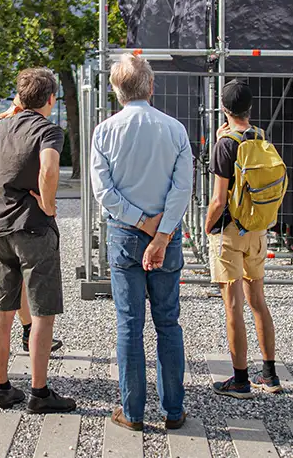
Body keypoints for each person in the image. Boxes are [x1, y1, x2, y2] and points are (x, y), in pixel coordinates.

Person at [0, 68, 75, 414]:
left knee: (2, 308)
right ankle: (40, 392)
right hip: (35, 228)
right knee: (41, 312)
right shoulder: (49, 130)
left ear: (20, 96)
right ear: (51, 100)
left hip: (0, 228)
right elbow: (49, 169)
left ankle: (2, 386)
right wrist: (49, 203)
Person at [90, 53, 193, 433]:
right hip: (166, 237)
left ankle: (132, 412)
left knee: (129, 323)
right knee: (168, 322)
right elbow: (183, 188)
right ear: (151, 86)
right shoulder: (175, 129)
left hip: (125, 233)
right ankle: (174, 410)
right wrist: (162, 232)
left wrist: (140, 222)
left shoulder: (104, 131)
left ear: (116, 92)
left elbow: (104, 190)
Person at [204, 79, 281, 397]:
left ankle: (239, 380)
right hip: (257, 228)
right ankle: (270, 375)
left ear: (224, 109)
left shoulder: (225, 145)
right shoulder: (260, 137)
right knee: (258, 302)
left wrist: (207, 226)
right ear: (249, 109)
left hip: (230, 231)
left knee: (233, 305)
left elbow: (219, 200)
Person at [0, 104, 63, 356]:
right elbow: (49, 169)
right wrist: (49, 203)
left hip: (0, 221)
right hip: (27, 221)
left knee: (4, 302)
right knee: (33, 302)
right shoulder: (16, 127)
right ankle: (38, 384)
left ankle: (3, 378)